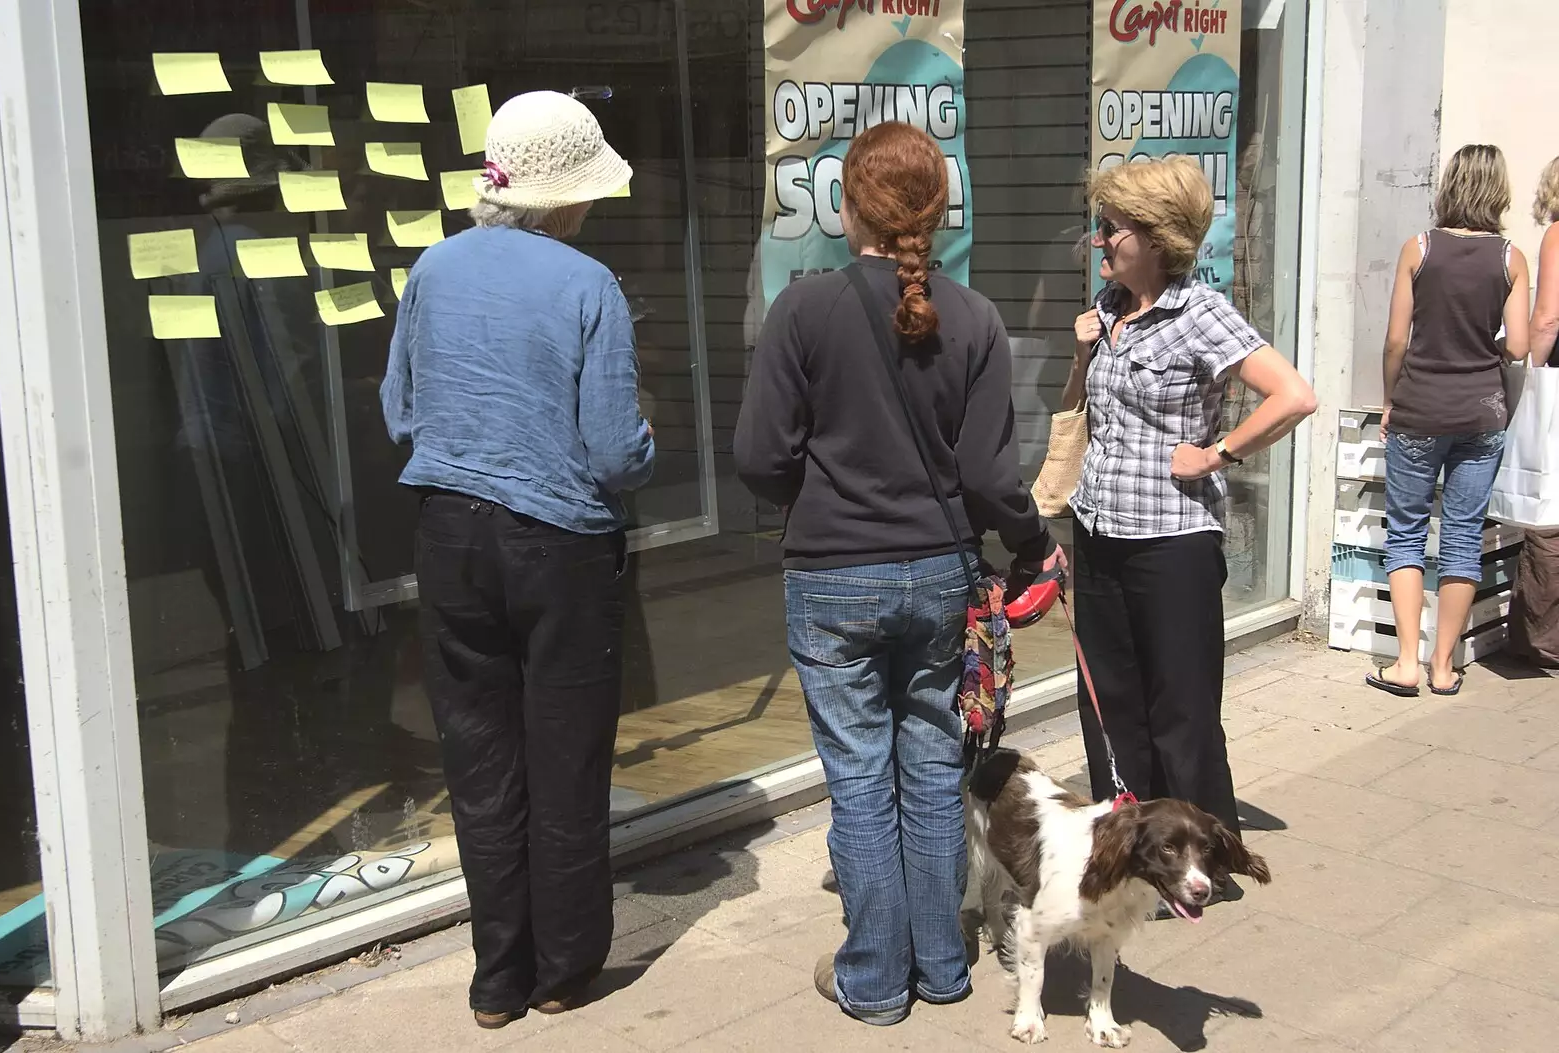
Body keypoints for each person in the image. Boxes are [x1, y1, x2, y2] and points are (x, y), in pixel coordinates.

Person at [734, 121, 1064, 1026]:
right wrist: (1036, 546)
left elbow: (758, 458)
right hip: (939, 578)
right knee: (928, 773)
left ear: (846, 208)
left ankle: (875, 977)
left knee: (857, 777)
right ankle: (943, 966)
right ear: (939, 211)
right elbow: (996, 479)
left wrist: (816, 489)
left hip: (832, 575)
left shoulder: (803, 310)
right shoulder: (977, 318)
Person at [380, 90, 652, 1029]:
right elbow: (618, 451)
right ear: (569, 199)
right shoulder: (589, 286)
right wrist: (647, 451)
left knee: (481, 759)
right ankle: (564, 967)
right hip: (561, 545)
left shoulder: (433, 268)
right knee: (566, 760)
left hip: (449, 535)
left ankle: (496, 974)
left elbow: (398, 411)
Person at [1061, 156, 1314, 909]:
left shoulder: (1200, 310)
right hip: (1099, 528)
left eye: (1114, 227)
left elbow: (1294, 395)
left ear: (1157, 236)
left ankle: (1206, 861)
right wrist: (1081, 355)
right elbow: (1080, 409)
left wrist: (1218, 451)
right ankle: (1131, 859)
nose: (1101, 238)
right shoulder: (1108, 305)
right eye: (1102, 224)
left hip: (1172, 541)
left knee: (1182, 708)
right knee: (1108, 703)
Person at [1369, 144, 1531, 696]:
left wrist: (1390, 398)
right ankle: (1444, 666)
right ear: (1499, 190)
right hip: (1481, 412)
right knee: (1463, 537)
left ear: (1450, 185)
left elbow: (1395, 339)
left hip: (1419, 408)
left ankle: (1406, 663)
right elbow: (1520, 346)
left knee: (1408, 533)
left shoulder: (1418, 248)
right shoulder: (1511, 258)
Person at [1510, 155, 1559, 665]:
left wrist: (1532, 375)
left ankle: (1543, 639)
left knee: (1551, 512)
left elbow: (1546, 318)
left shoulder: (1557, 234)